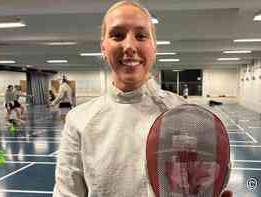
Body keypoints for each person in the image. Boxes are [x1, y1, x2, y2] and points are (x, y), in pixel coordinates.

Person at [53, 1, 233, 197]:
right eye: (117, 35)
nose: (129, 46)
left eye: (141, 36)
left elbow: (196, 185)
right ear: (104, 48)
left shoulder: (186, 116)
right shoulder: (79, 120)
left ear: (153, 48)